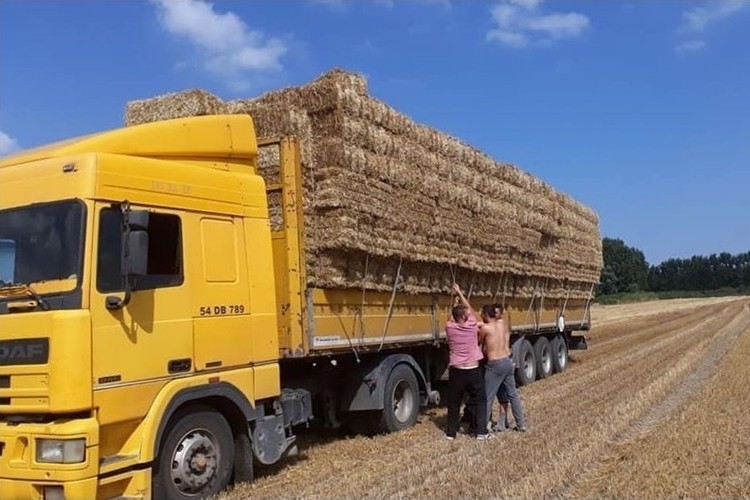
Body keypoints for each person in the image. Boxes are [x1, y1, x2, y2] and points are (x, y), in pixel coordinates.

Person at [444, 283, 490, 440]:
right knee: (480, 400)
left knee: (454, 402)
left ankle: (451, 433)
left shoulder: (449, 328)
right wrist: (459, 293)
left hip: (457, 371)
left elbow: (453, 315)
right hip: (472, 370)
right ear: (464, 316)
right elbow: (469, 308)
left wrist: (455, 302)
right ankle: (481, 432)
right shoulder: (471, 326)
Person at [480, 302, 527, 433]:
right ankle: (521, 424)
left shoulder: (486, 328)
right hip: (507, 361)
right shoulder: (503, 325)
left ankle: (483, 428)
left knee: (487, 397)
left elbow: (479, 341)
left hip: (494, 365)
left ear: (485, 314)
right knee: (513, 395)